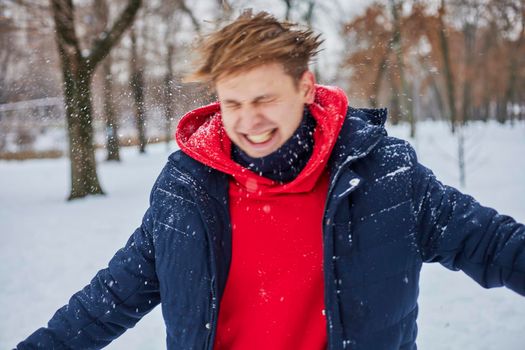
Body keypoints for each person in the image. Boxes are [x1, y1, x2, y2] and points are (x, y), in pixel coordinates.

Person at [17, 10, 524, 350]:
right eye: (233, 103)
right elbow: (111, 297)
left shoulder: (383, 174)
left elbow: (492, 245)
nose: (249, 120)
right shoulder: (187, 189)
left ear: (305, 87)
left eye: (264, 99)